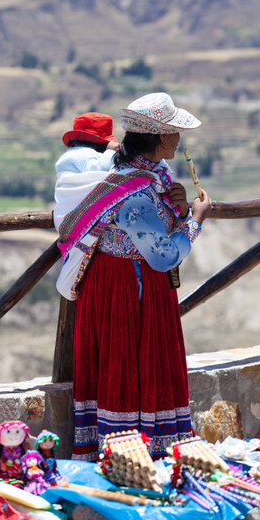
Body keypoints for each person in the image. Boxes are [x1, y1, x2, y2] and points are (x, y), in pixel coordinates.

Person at [55, 93, 212, 460]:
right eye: (174, 131)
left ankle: (137, 451)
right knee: (127, 360)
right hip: (126, 288)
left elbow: (157, 228)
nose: (178, 138)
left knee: (125, 361)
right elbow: (163, 255)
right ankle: (130, 455)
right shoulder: (136, 191)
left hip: (128, 284)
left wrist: (179, 206)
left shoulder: (150, 178)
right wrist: (197, 219)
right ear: (160, 138)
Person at [55, 111, 119, 175]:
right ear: (100, 144)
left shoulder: (69, 154)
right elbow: (99, 171)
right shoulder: (86, 154)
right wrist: (110, 151)